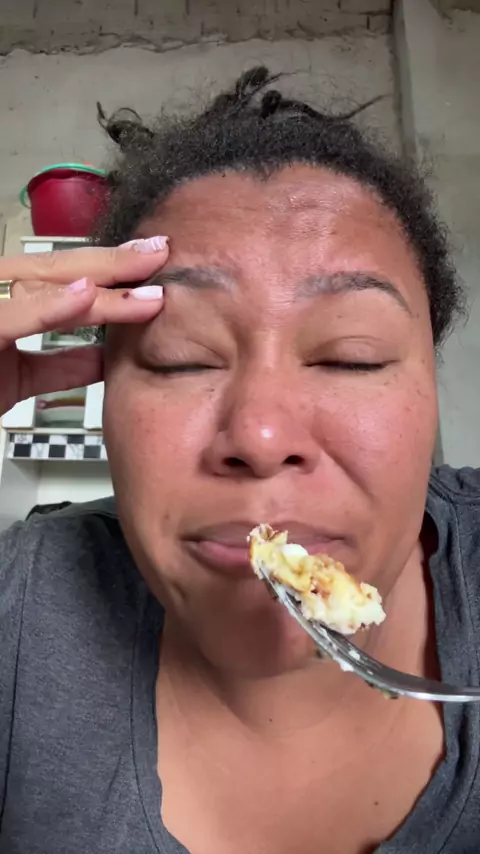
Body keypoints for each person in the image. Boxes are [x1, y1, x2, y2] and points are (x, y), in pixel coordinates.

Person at [0, 66, 478, 854]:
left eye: (351, 356)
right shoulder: (23, 613)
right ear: (103, 388)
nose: (258, 436)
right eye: (181, 357)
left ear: (431, 383)